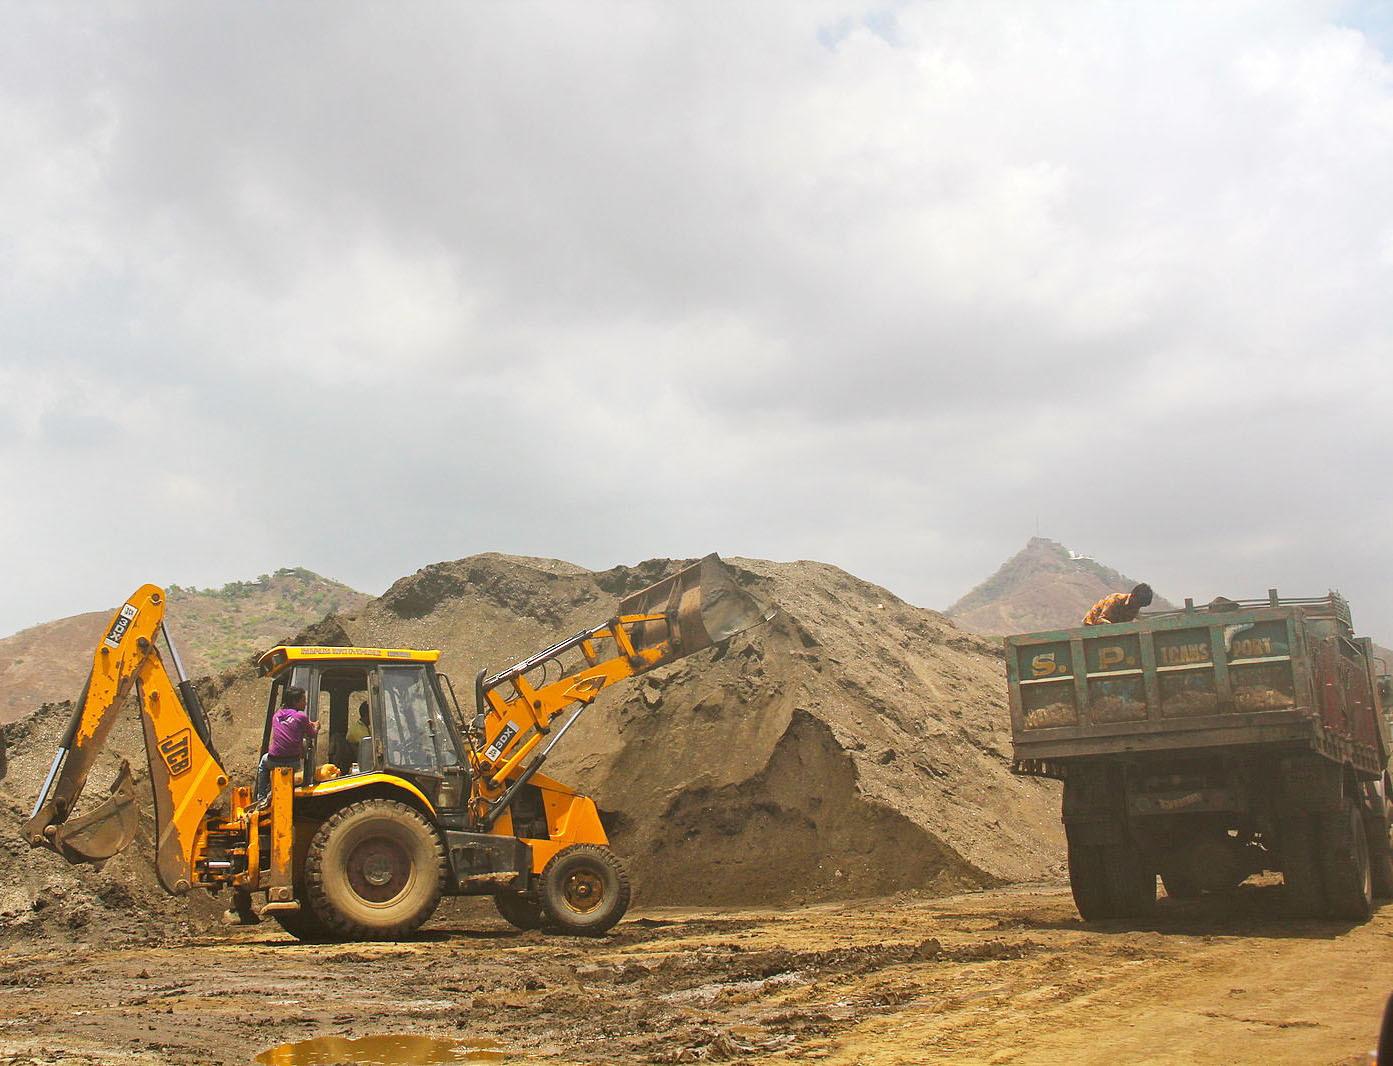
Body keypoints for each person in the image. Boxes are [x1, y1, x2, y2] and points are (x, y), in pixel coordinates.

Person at [255, 685, 317, 802]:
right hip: (292, 761)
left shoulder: (276, 715)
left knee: (263, 764)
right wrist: (317, 727)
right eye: (303, 700)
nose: (306, 702)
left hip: (274, 760)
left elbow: (289, 724)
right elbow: (312, 734)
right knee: (302, 746)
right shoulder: (301, 716)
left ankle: (261, 797)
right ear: (295, 701)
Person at [1083, 583, 1154, 626]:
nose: (1137, 608)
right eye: (1137, 604)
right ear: (1132, 596)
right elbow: (1101, 620)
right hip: (1091, 625)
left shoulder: (1135, 607)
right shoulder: (1115, 599)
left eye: (1140, 606)